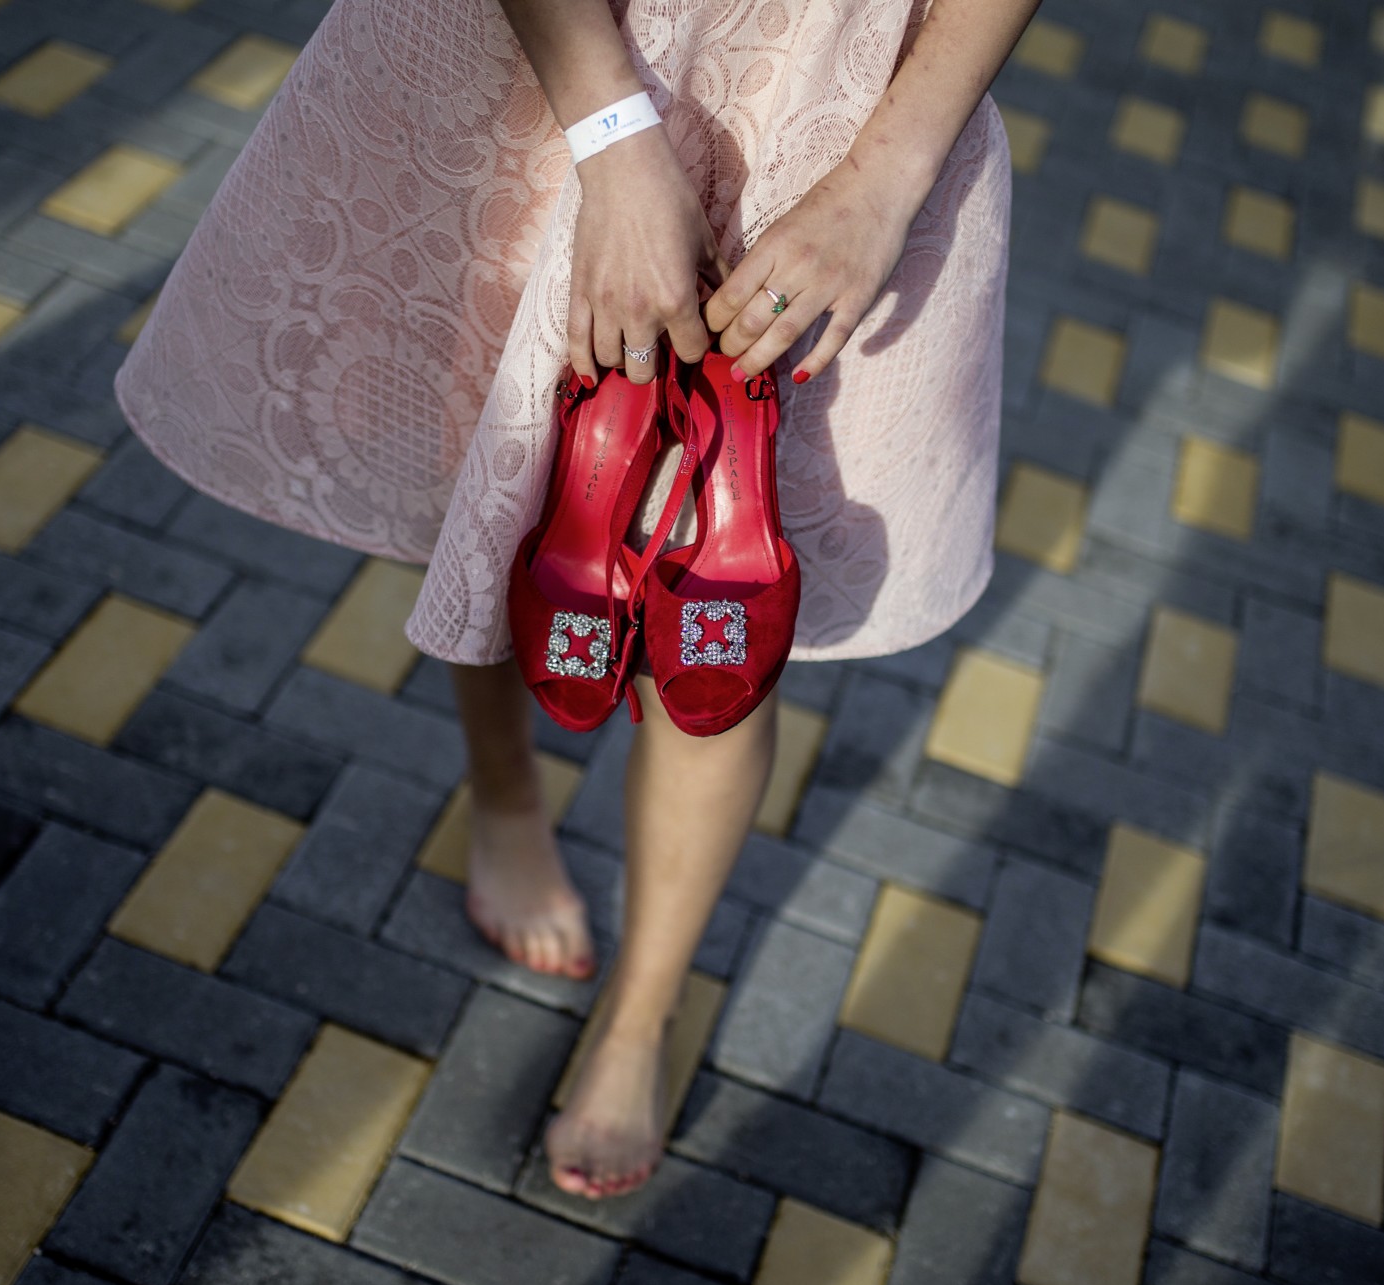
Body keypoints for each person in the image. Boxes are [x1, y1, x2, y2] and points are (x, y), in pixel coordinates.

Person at [116, 0, 1040, 1200]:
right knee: (497, 494)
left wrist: (887, 177)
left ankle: (640, 1016)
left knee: (723, 592)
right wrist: (611, 137)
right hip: (549, 50)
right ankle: (505, 802)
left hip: (832, 90)